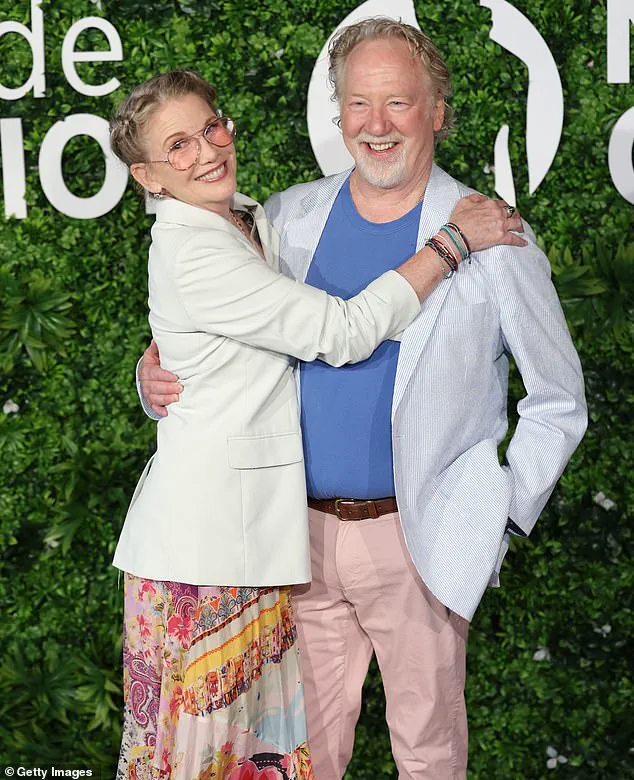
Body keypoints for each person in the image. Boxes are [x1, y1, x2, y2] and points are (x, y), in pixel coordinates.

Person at [110, 68, 522, 780]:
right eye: (178, 146)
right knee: (198, 762)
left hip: (257, 550)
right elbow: (342, 331)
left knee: (259, 759)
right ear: (148, 176)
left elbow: (214, 351)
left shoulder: (249, 216)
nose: (207, 152)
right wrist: (451, 245)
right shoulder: (194, 247)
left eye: (211, 128)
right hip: (205, 556)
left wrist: (161, 365)